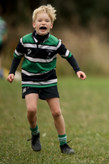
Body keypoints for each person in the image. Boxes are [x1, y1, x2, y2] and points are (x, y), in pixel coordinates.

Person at [7, 4, 87, 154]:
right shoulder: (25, 40)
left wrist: (78, 70)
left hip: (49, 80)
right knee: (31, 109)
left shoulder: (55, 43)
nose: (43, 23)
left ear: (51, 25)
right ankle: (35, 133)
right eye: (39, 20)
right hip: (30, 79)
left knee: (56, 112)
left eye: (46, 20)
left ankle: (64, 145)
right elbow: (17, 56)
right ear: (34, 24)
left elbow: (68, 56)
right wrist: (12, 72)